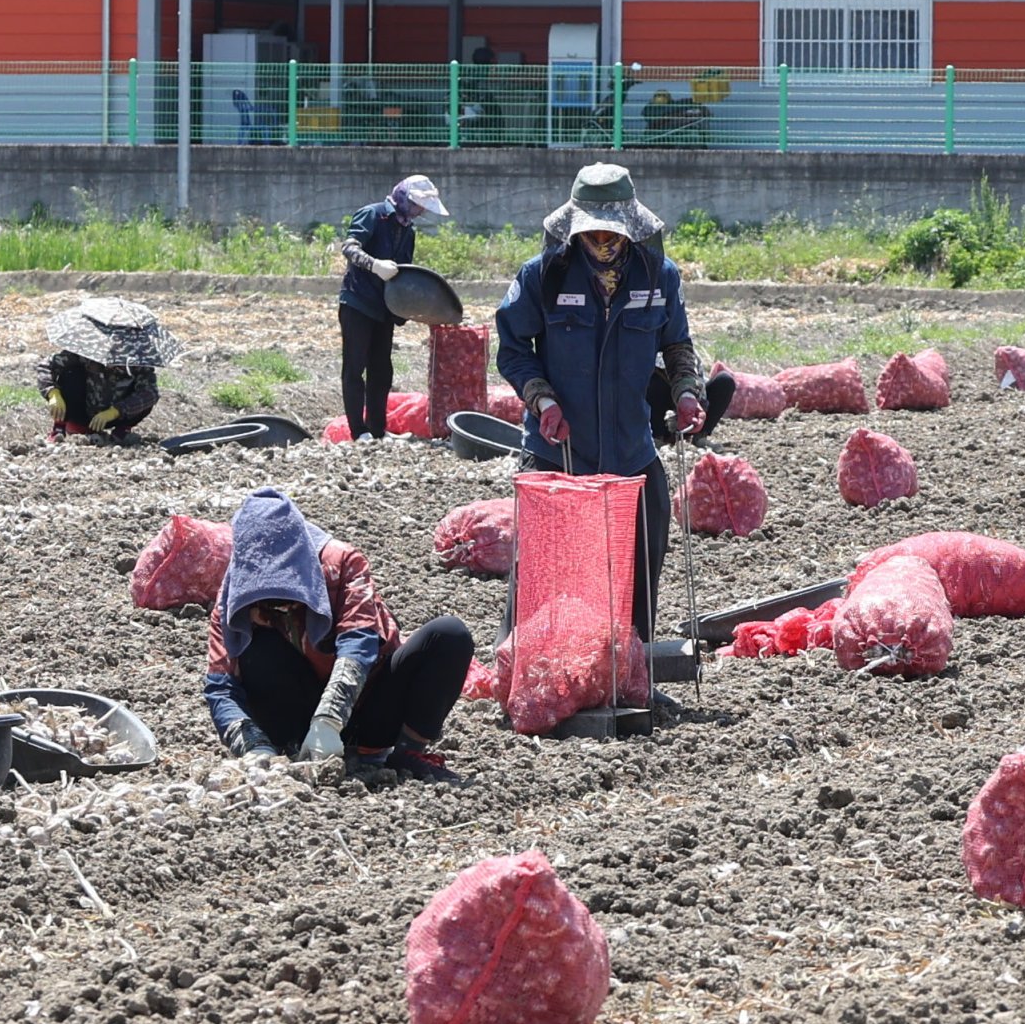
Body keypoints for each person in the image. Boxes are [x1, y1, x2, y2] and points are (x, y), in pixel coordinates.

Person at [493, 163, 709, 646]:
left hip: (631, 449)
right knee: (544, 572)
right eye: (592, 230)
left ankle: (631, 666)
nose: (602, 240)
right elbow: (511, 350)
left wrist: (688, 392)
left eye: (612, 230)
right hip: (561, 449)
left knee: (641, 563)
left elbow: (676, 346)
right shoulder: (542, 277)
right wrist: (541, 398)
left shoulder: (658, 277)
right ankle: (529, 665)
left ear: (630, 225)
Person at [203, 488, 471, 776]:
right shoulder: (234, 600)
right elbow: (221, 687)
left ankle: (404, 753)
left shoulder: (340, 563)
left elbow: (359, 641)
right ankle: (292, 751)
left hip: (372, 704)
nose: (278, 605)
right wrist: (255, 748)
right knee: (256, 648)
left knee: (449, 635)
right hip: (296, 716)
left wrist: (329, 721)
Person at [332, 173, 446, 444]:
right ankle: (358, 432)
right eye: (418, 205)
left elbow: (404, 274)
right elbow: (349, 248)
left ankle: (377, 430)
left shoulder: (408, 230)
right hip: (358, 302)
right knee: (354, 367)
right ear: (404, 198)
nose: (420, 212)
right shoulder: (372, 215)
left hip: (384, 307)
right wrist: (374, 265)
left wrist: (411, 309)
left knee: (382, 370)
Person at [41, 295, 172, 443]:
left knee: (143, 396)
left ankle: (122, 431)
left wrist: (116, 411)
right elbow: (47, 366)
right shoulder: (85, 351)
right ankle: (60, 428)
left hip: (118, 415)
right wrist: (53, 393)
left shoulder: (138, 362)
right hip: (83, 411)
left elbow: (151, 393)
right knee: (71, 374)